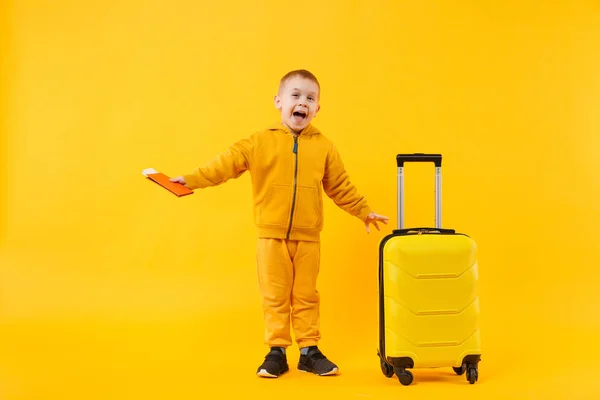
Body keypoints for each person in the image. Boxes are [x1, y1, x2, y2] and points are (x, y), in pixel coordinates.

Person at [169, 69, 389, 378]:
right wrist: (190, 179)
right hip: (271, 237)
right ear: (279, 101)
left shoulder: (325, 147)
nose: (303, 102)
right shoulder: (258, 142)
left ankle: (309, 351)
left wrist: (364, 212)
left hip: (308, 238)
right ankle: (276, 352)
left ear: (317, 108)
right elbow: (223, 165)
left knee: (306, 295)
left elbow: (340, 186)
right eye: (295, 96)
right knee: (274, 295)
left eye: (310, 98)